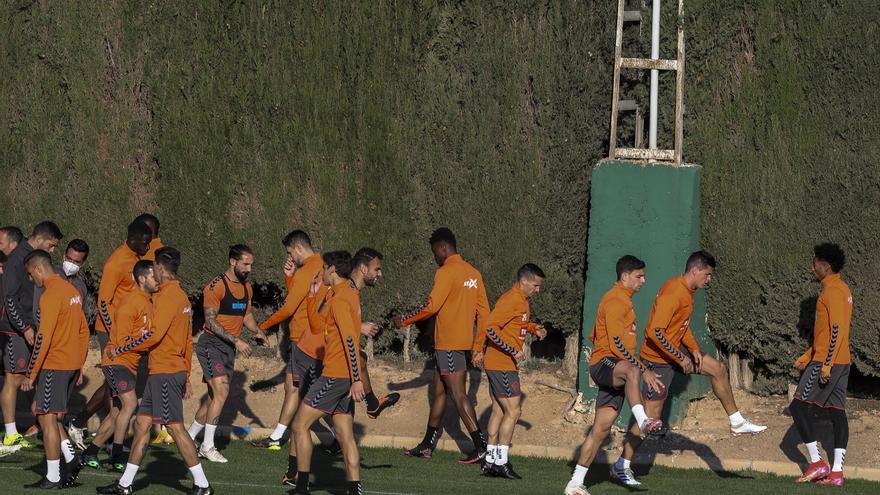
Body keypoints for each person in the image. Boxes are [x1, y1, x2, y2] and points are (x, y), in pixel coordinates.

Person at [612, 250, 767, 487]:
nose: (709, 279)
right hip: (658, 360)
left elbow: (681, 326)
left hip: (676, 354)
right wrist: (677, 355)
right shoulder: (674, 292)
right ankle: (621, 466)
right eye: (707, 274)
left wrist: (693, 349)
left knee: (718, 369)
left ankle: (736, 422)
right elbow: (655, 331)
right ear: (695, 270)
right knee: (650, 417)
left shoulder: (688, 291)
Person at [97, 247, 213, 495]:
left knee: (174, 427)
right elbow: (187, 341)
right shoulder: (180, 296)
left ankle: (202, 485)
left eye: (154, 269)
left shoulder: (167, 298)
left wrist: (121, 348)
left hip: (164, 372)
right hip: (165, 371)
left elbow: (154, 335)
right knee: (141, 424)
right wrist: (187, 374)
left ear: (160, 269)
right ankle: (125, 484)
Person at [563, 256, 664, 495]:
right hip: (605, 364)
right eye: (639, 276)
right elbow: (617, 344)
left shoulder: (623, 301)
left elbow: (593, 334)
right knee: (633, 370)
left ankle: (574, 484)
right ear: (625, 276)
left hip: (614, 368)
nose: (643, 280)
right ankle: (643, 420)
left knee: (601, 430)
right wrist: (643, 368)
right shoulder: (616, 299)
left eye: (644, 275)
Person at [393, 227, 490, 463]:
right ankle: (426, 445)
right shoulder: (473, 273)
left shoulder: (446, 271)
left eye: (435, 252)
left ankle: (480, 447)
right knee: (439, 393)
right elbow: (484, 313)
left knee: (457, 394)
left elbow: (431, 306)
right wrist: (478, 345)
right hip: (458, 345)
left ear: (443, 248)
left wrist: (404, 319)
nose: (435, 257)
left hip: (447, 345)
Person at [291, 248, 382, 495]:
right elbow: (318, 326)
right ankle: (355, 491)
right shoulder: (339, 293)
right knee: (345, 436)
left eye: (323, 268)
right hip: (342, 377)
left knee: (299, 426)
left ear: (331, 269)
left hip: (336, 376)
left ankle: (301, 488)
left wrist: (356, 380)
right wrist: (311, 297)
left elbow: (351, 341)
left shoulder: (342, 297)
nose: (320, 273)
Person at [69, 221, 152, 438]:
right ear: (132, 239)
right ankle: (113, 437)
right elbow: (103, 302)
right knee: (116, 386)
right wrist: (116, 334)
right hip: (111, 331)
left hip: (125, 331)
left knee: (114, 384)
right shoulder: (116, 262)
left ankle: (82, 422)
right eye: (145, 242)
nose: (147, 246)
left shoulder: (136, 259)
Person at [189, 244, 269, 462]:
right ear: (232, 262)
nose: (249, 268)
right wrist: (238, 340)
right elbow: (210, 322)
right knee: (222, 391)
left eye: (251, 264)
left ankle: (188, 438)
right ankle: (207, 446)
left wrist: (258, 331)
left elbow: (247, 316)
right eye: (245, 264)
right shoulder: (216, 286)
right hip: (210, 345)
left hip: (228, 349)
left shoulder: (247, 288)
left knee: (214, 397)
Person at [20, 249, 89, 488]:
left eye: (30, 274)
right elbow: (83, 331)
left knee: (47, 419)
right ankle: (71, 458)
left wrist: (31, 373)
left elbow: (43, 338)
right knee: (52, 416)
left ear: (39, 269)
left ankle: (52, 476)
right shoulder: (72, 291)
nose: (31, 279)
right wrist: (79, 364)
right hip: (69, 365)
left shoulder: (49, 296)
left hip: (54, 365)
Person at [473, 263, 547, 480]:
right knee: (514, 412)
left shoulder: (522, 301)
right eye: (536, 285)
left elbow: (516, 324)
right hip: (502, 364)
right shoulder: (511, 299)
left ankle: (489, 462)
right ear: (524, 281)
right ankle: (501, 463)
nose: (538, 290)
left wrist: (534, 328)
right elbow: (490, 328)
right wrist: (512, 350)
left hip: (500, 364)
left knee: (498, 411)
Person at [251, 230, 324, 451]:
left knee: (296, 389)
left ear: (299, 248)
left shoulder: (306, 270)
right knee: (305, 389)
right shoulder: (323, 265)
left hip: (302, 339)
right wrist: (290, 277)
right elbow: (302, 297)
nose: (291, 256)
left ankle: (278, 438)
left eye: (291, 251)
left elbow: (289, 307)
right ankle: (278, 436)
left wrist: (262, 326)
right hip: (319, 338)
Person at [83, 260, 158, 472]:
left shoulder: (149, 301)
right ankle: (117, 452)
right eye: (154, 276)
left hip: (131, 363)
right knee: (130, 404)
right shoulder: (130, 303)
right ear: (142, 279)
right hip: (116, 362)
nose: (158, 280)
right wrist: (151, 339)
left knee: (116, 412)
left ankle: (91, 451)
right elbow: (123, 342)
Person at [790, 243, 852, 486]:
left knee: (798, 407)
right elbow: (829, 332)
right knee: (837, 413)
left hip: (829, 362)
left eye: (815, 262)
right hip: (841, 361)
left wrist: (824, 365)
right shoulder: (840, 288)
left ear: (825, 266)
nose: (812, 267)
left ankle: (817, 464)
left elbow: (836, 331)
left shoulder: (833, 292)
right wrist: (808, 353)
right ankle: (836, 473)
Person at [1, 221, 64, 449]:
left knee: (32, 376)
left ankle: (39, 422)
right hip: (15, 328)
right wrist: (25, 328)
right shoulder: (18, 259)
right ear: (40, 238)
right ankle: (10, 434)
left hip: (30, 326)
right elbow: (9, 298)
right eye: (52, 245)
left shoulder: (33, 257)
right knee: (14, 378)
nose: (53, 250)